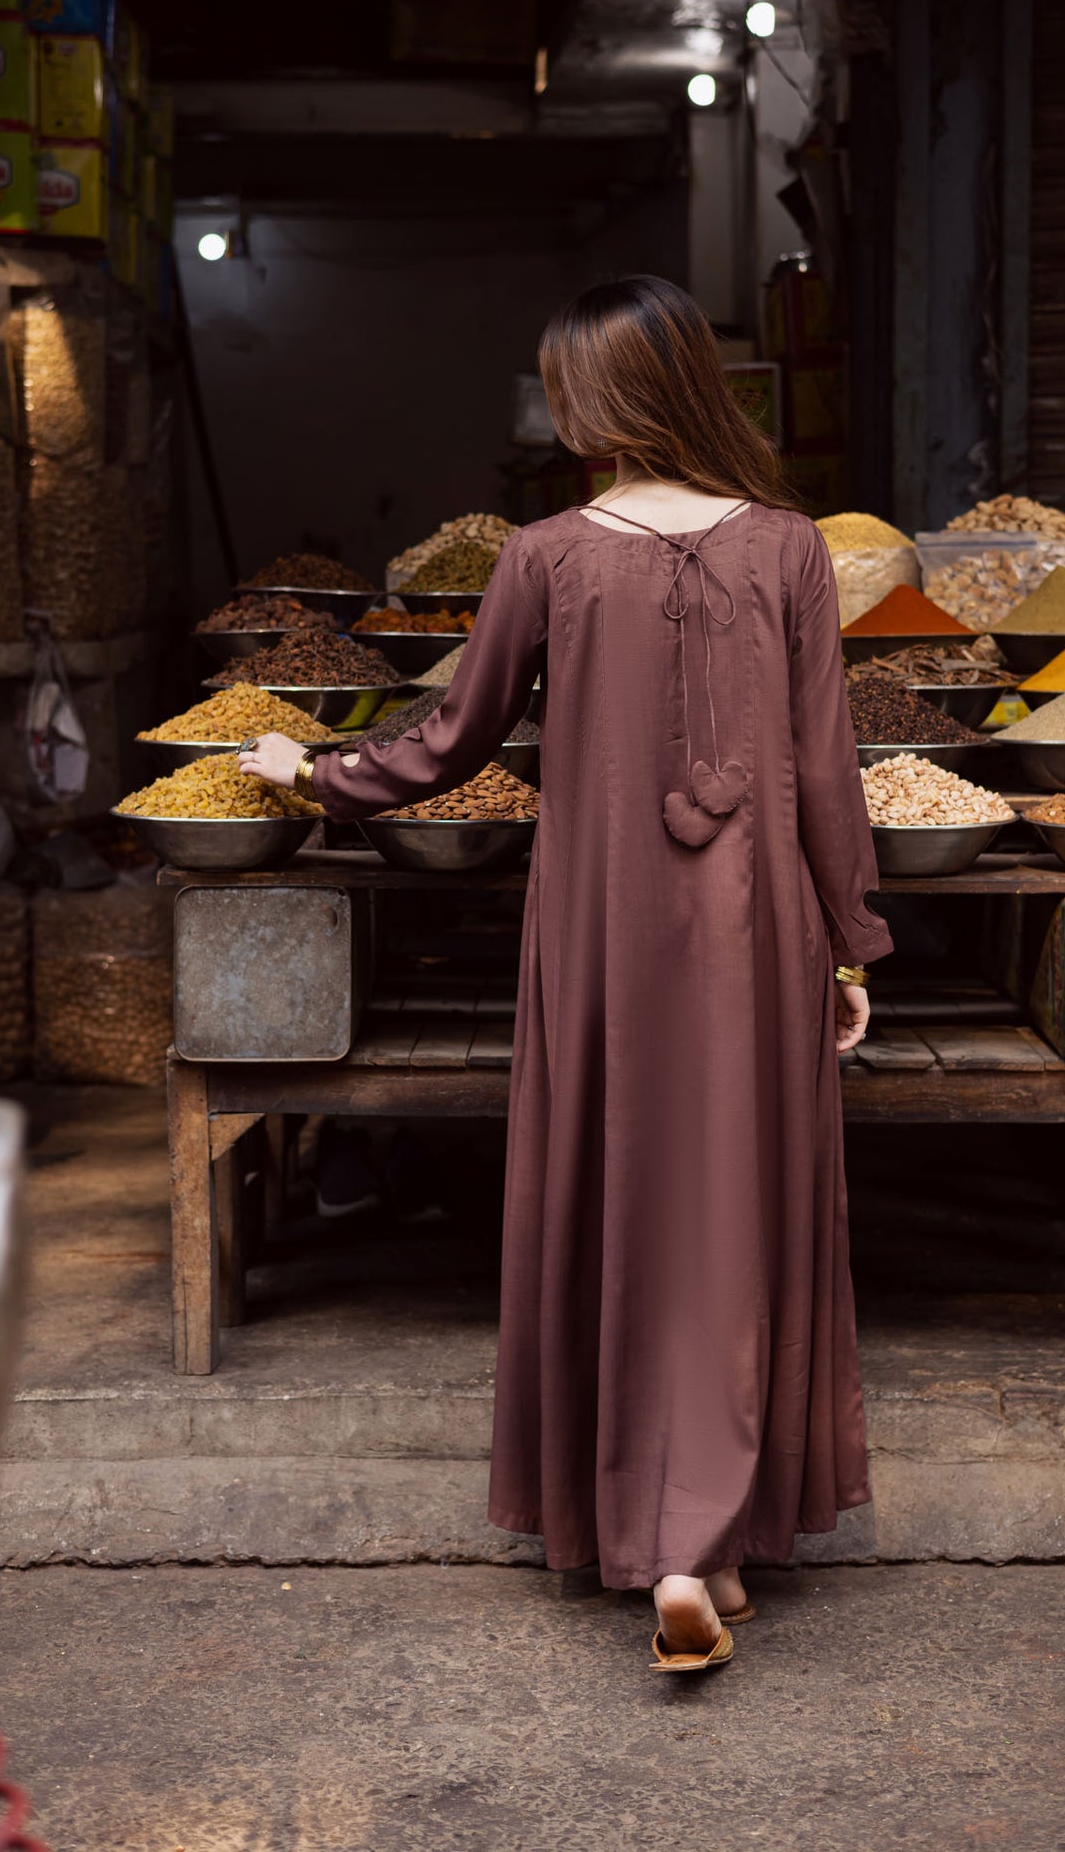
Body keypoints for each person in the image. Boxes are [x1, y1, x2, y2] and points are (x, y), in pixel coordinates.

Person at [241, 276, 891, 1673]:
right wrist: (851, 939)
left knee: (627, 1200)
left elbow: (451, 737)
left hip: (604, 936)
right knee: (735, 1210)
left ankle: (659, 1542)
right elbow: (831, 772)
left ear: (602, 403)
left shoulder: (543, 555)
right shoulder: (793, 550)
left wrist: (318, 771)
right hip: (761, 931)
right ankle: (706, 1544)